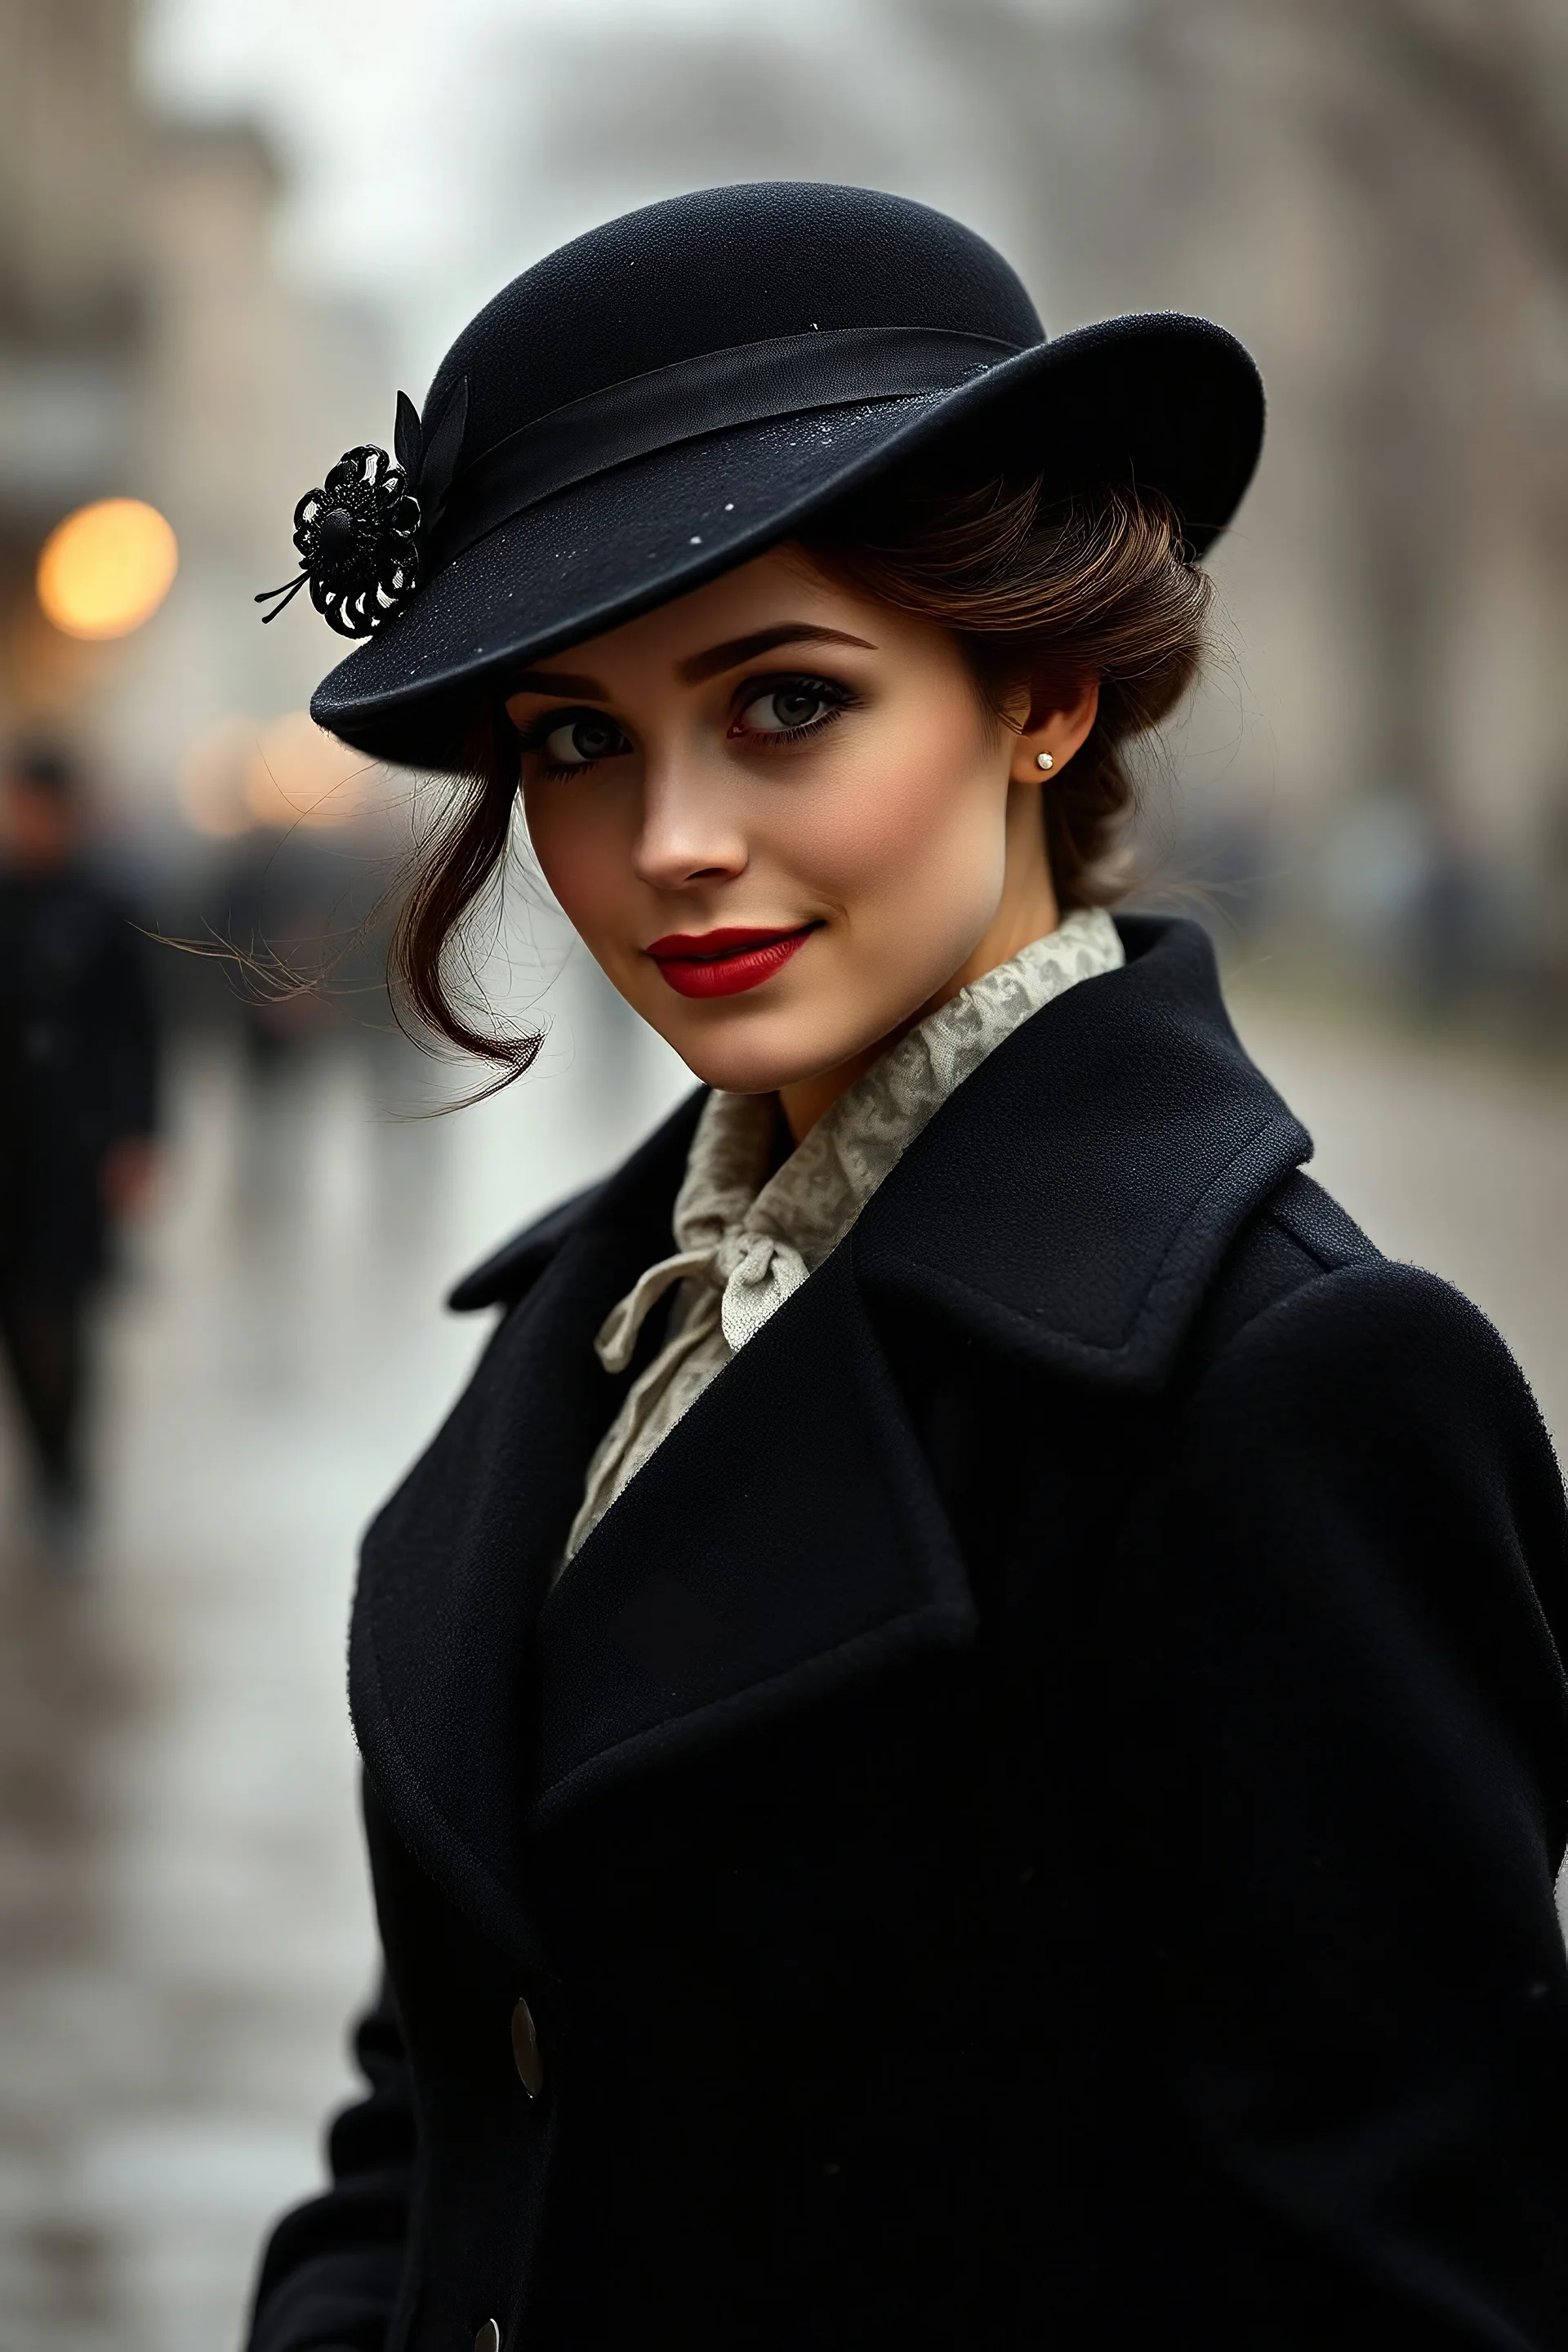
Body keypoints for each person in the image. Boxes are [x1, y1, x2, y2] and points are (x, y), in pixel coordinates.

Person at [247, 185, 1568, 2351]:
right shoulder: (613, 1314)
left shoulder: (1290, 1393)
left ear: (1039, 697)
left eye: (781, 702)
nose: (666, 837)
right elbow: (451, 2102)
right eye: (576, 738)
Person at [0, 746, 158, 1548]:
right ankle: (42, 1464)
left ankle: (67, 1473)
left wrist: (137, 1138)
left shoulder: (103, 909)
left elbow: (139, 1035)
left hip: (74, 1151)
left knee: (61, 1315)